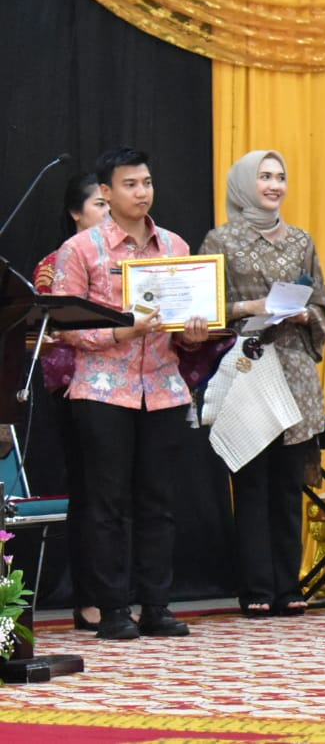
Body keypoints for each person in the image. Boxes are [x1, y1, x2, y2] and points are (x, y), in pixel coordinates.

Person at [51, 147, 211, 641]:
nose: (142, 192)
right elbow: (62, 324)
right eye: (130, 184)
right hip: (102, 389)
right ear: (105, 191)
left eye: (146, 182)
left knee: (158, 503)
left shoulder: (177, 247)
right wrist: (121, 333)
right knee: (106, 505)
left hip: (162, 389)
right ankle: (114, 609)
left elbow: (186, 325)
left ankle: (157, 606)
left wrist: (195, 333)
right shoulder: (80, 250)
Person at [199, 150, 325, 618]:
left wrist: (304, 312)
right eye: (265, 177)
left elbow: (323, 308)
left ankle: (288, 585)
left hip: (294, 370)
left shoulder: (300, 239)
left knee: (287, 484)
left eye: (281, 176)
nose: (274, 185)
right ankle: (256, 586)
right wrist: (251, 307)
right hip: (248, 367)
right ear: (242, 184)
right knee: (251, 482)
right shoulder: (221, 239)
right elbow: (206, 306)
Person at [31, 172, 110, 631]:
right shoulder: (56, 262)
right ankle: (90, 597)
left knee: (123, 496)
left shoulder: (130, 259)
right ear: (75, 213)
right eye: (98, 204)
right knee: (90, 493)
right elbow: (49, 333)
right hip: (77, 387)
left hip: (129, 387)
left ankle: (124, 592)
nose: (106, 211)